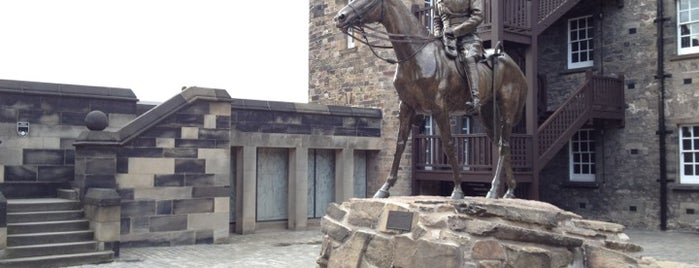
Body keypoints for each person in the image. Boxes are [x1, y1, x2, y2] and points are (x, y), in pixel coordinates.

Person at [433, 0, 484, 112]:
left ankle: (475, 99)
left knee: (468, 58)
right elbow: (437, 19)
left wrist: (455, 31)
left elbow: (478, 16)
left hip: (468, 36)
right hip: (445, 37)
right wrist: (437, 33)